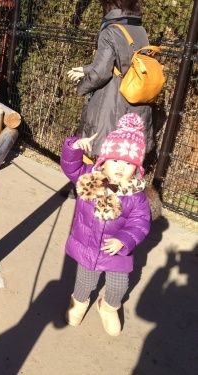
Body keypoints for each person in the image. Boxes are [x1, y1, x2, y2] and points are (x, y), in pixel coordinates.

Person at [60, 113, 152, 336]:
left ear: (137, 168)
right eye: (116, 160)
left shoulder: (136, 196)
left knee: (118, 287)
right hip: (88, 246)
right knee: (84, 282)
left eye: (129, 163)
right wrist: (74, 147)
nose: (121, 167)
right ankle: (79, 303)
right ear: (104, 160)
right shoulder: (90, 178)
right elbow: (70, 167)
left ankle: (109, 307)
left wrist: (124, 240)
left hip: (116, 251)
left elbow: (140, 223)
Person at [66, 0, 155, 162]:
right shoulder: (140, 29)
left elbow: (101, 73)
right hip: (134, 101)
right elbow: (124, 61)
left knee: (100, 158)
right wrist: (86, 69)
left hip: (112, 105)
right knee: (124, 158)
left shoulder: (110, 31)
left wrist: (80, 87)